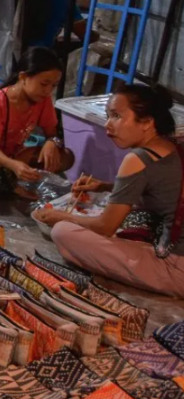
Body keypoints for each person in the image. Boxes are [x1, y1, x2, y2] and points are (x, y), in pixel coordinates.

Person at [34, 84, 183, 297]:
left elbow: (105, 226)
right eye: (108, 116)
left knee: (63, 232)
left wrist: (60, 217)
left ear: (147, 122)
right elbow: (161, 190)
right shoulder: (171, 146)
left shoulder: (137, 159)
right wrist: (104, 186)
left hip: (175, 269)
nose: (108, 124)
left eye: (116, 116)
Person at [0, 47, 75, 205]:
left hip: (15, 151)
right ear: (23, 77)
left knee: (65, 156)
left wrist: (51, 142)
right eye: (44, 83)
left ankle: (12, 182)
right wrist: (15, 165)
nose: (48, 91)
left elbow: (51, 133)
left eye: (53, 86)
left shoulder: (43, 100)